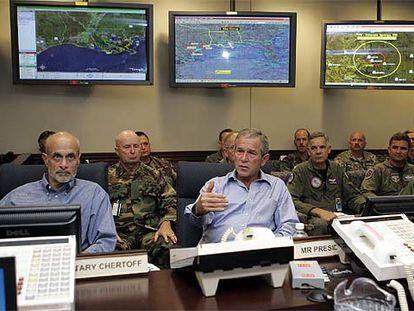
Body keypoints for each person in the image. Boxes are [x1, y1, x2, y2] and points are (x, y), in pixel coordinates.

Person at [0, 132, 116, 253]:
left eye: (70, 157)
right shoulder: (17, 196)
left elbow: (106, 242)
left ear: (78, 160)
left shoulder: (94, 194)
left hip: (78, 265)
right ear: (46, 159)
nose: (63, 165)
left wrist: (75, 261)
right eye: (57, 157)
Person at [185, 128, 299, 244]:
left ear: (264, 159)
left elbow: (289, 226)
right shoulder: (215, 185)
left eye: (251, 153)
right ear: (233, 153)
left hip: (261, 255)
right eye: (239, 151)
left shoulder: (277, 187)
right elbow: (194, 222)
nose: (243, 159)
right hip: (218, 255)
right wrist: (198, 210)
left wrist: (268, 244)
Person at [108, 130, 177, 268]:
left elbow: (170, 200)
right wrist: (107, 231)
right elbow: (98, 207)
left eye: (136, 146)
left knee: (167, 246)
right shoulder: (107, 176)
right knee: (108, 250)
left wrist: (166, 223)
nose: (132, 151)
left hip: (150, 232)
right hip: (121, 234)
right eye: (127, 147)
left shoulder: (155, 174)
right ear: (117, 151)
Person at [288, 132, 365, 236]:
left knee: (359, 223)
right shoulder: (300, 171)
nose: (318, 151)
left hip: (338, 215)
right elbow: (291, 200)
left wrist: (365, 205)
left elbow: (352, 196)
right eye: (314, 148)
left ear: (329, 149)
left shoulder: (337, 169)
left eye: (322, 147)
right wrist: (317, 211)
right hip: (314, 217)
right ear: (309, 151)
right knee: (320, 224)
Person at [360, 132, 414, 197]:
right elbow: (366, 191)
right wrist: (379, 203)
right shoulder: (378, 170)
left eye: (403, 148)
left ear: (408, 151)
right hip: (386, 204)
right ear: (389, 150)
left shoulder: (412, 169)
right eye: (395, 147)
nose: (398, 151)